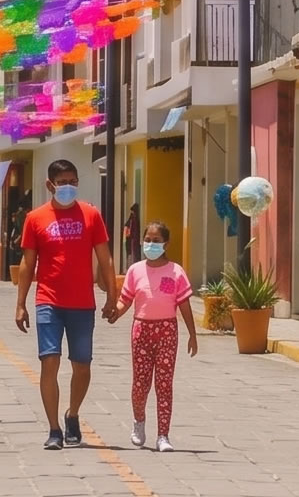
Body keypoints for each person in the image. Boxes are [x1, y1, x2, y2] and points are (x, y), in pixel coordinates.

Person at [14, 159, 117, 450]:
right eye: (62, 182)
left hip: (82, 303)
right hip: (48, 300)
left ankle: (72, 414)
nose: (68, 187)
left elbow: (105, 257)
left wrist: (112, 294)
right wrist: (20, 303)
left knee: (82, 366)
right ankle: (55, 429)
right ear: (50, 185)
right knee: (50, 361)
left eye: (73, 181)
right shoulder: (36, 218)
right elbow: (27, 262)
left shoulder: (91, 215)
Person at [106, 222, 195, 451]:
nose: (151, 244)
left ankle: (163, 435)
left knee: (164, 385)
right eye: (148, 240)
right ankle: (139, 422)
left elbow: (184, 305)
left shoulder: (176, 272)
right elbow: (125, 300)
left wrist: (192, 335)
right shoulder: (135, 271)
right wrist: (115, 312)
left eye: (156, 241)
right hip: (141, 331)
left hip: (167, 332)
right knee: (140, 383)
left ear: (166, 244)